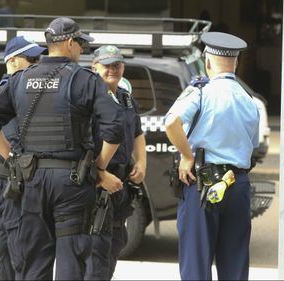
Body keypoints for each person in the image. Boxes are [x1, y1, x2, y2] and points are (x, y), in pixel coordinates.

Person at [0, 17, 125, 280]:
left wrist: (11, 158)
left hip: (30, 182)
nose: (81, 49)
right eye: (80, 43)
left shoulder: (21, 79)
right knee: (71, 261)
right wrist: (99, 167)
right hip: (72, 184)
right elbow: (115, 127)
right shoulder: (85, 80)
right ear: (69, 43)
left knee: (34, 261)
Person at [164, 32, 259, 280]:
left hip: (203, 185)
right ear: (235, 63)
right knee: (235, 265)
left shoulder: (200, 92)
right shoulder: (249, 100)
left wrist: (187, 156)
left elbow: (171, 122)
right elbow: (253, 146)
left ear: (207, 62)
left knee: (196, 264)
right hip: (237, 184)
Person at [0, 36, 46, 281]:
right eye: (31, 59)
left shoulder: (24, 87)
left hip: (11, 182)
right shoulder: (9, 86)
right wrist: (10, 156)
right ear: (12, 61)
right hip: (4, 183)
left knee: (7, 253)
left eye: (38, 59)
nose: (36, 63)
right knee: (11, 254)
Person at [86, 45, 147, 280]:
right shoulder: (87, 99)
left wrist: (141, 163)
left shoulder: (126, 98)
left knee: (115, 242)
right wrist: (100, 174)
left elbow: (138, 133)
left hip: (120, 183)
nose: (112, 70)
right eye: (107, 65)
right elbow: (81, 145)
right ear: (94, 67)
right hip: (96, 182)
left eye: (117, 65)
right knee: (96, 250)